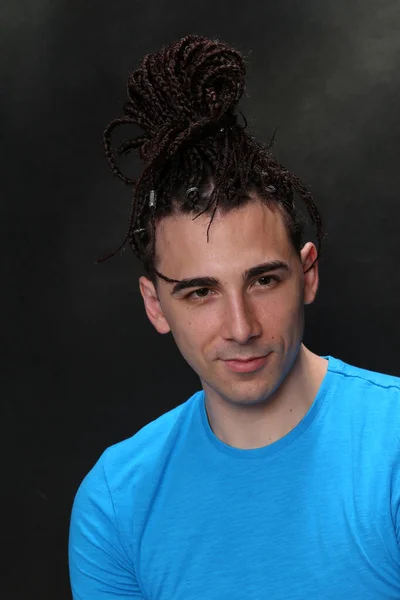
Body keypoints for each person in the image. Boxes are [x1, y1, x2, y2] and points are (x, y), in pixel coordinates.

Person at [68, 35, 400, 599]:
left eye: (263, 280)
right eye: (200, 293)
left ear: (308, 275)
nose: (241, 327)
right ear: (156, 305)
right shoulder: (117, 502)